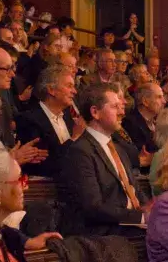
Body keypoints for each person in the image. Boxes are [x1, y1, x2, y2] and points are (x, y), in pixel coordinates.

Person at [59, 81, 148, 236]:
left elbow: (136, 190)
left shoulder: (119, 149)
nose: (122, 112)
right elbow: (93, 207)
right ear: (95, 112)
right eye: (114, 107)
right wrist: (140, 217)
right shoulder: (80, 151)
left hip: (132, 226)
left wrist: (151, 209)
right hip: (106, 233)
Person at [14, 65, 85, 178]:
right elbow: (44, 165)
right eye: (69, 86)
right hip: (47, 185)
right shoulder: (29, 120)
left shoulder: (68, 116)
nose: (75, 91)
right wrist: (74, 138)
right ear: (51, 90)